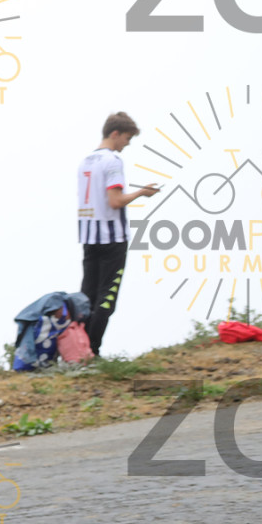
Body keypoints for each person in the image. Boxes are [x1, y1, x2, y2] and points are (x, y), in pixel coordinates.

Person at [77, 112, 158, 356]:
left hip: (89, 237)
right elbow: (115, 201)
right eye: (127, 138)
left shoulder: (85, 161)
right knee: (107, 298)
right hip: (112, 239)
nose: (127, 144)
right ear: (115, 134)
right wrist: (141, 193)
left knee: (87, 297)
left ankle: (77, 350)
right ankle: (91, 352)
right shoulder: (112, 161)